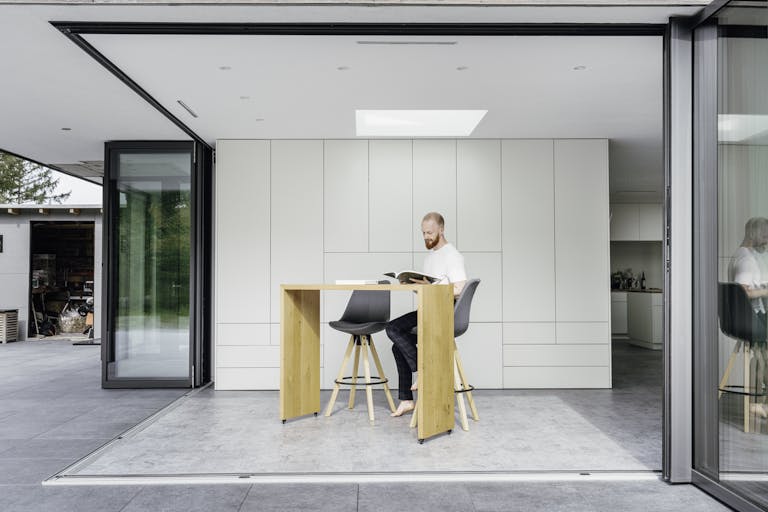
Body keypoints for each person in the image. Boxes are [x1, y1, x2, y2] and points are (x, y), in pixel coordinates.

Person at [385, 212, 467, 417]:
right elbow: (429, 288)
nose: (426, 237)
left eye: (429, 232)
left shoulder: (452, 255)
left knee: (392, 328)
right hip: (428, 309)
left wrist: (433, 286)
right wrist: (414, 285)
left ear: (441, 229)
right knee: (397, 345)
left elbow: (459, 288)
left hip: (442, 314)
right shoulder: (430, 257)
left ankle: (423, 370)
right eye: (423, 233)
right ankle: (406, 400)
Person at [728, 217, 768, 418]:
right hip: (749, 322)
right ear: (754, 234)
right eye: (765, 236)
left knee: (762, 355)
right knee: (763, 353)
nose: (767, 241)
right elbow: (743, 292)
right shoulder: (747, 260)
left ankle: (758, 401)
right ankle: (759, 403)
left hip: (742, 321)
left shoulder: (739, 254)